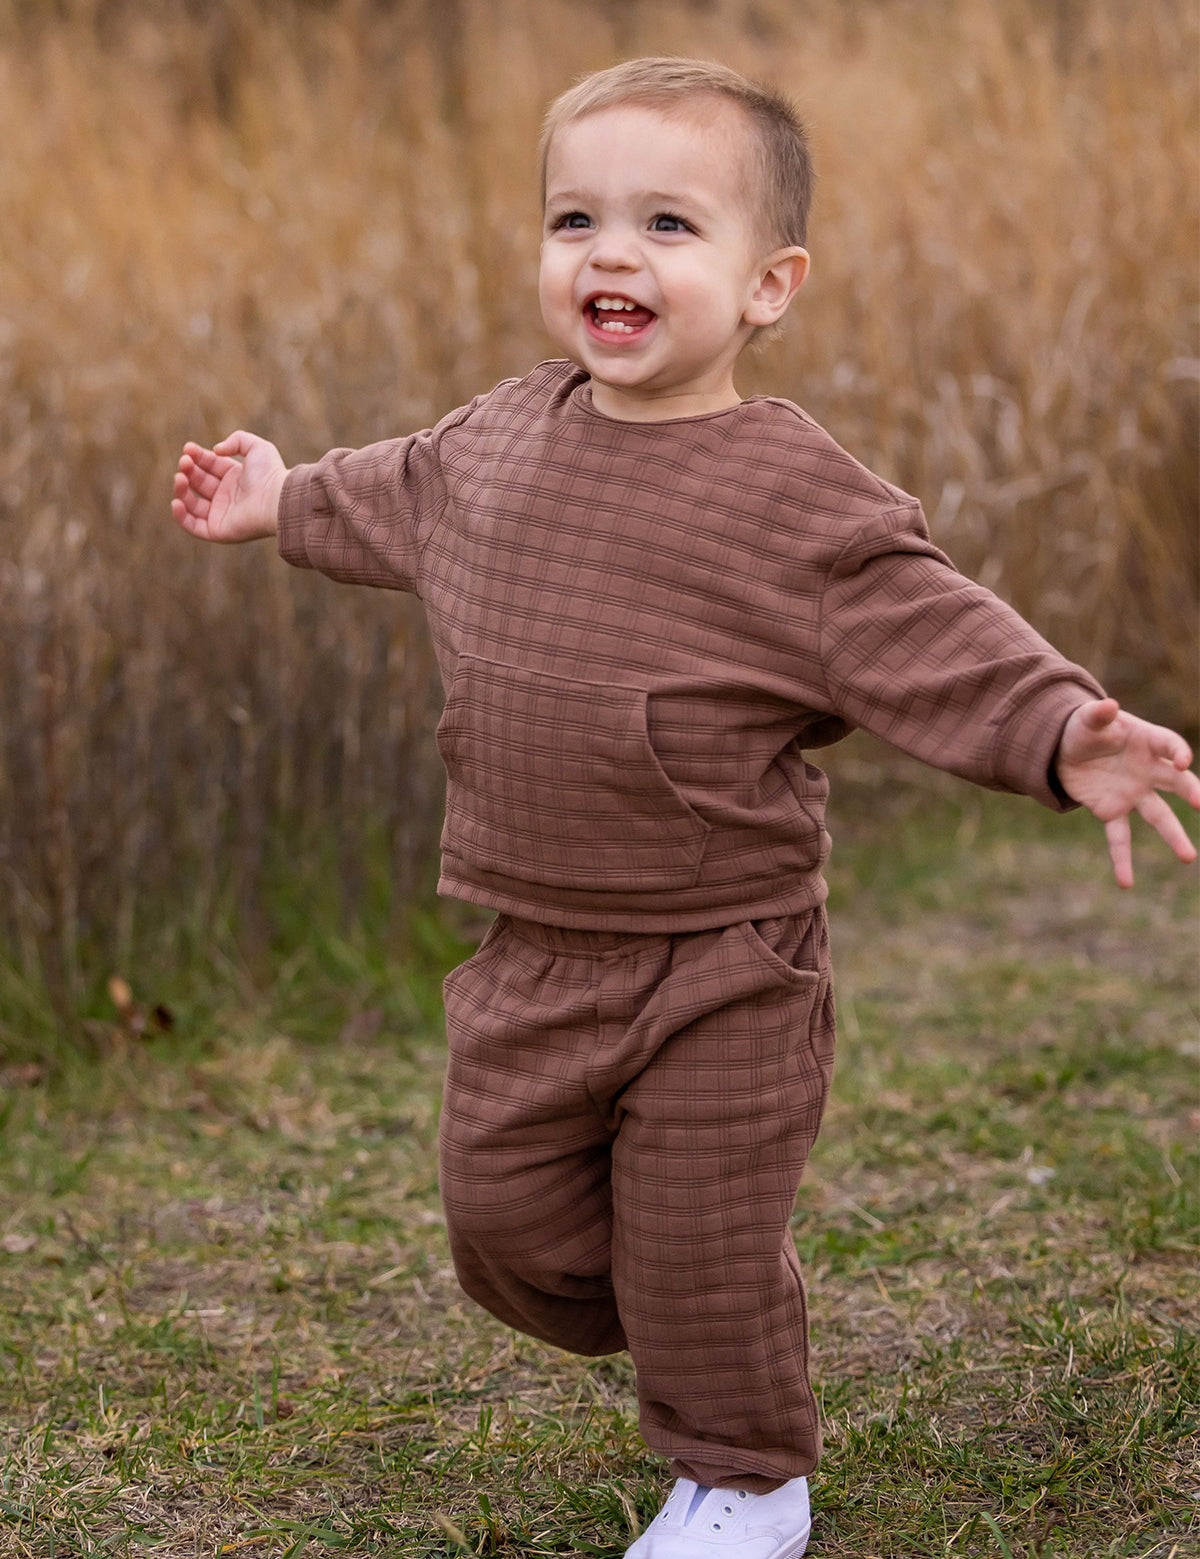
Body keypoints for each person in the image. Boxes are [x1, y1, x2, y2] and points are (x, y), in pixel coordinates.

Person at [171, 56, 1199, 1559]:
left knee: (703, 1236)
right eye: (576, 217)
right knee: (503, 1233)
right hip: (532, 950)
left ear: (768, 284)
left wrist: (1060, 730)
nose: (609, 254)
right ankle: (683, 1304)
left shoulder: (791, 498)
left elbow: (928, 631)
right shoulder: (496, 442)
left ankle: (743, 1475)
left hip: (726, 956)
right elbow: (388, 494)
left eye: (667, 224)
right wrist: (281, 498)